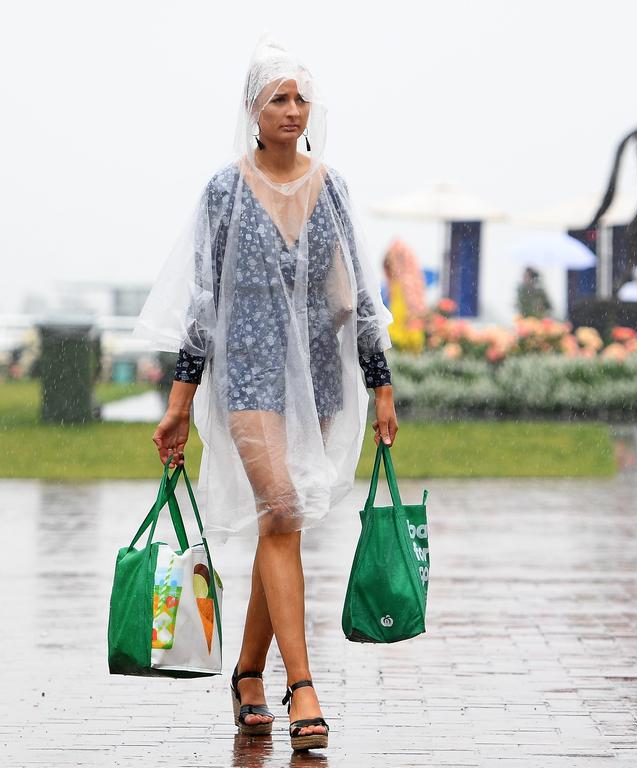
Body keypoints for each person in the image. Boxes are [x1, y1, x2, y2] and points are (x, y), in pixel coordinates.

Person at [134, 38, 396, 752]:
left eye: (299, 97)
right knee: (280, 510)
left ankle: (247, 672)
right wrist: (181, 401)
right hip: (246, 372)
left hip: (317, 374)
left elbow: (361, 294)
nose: (290, 109)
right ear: (253, 109)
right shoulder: (224, 190)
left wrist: (380, 386)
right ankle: (301, 687)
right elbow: (202, 302)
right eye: (277, 97)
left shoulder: (331, 186)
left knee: (283, 525)